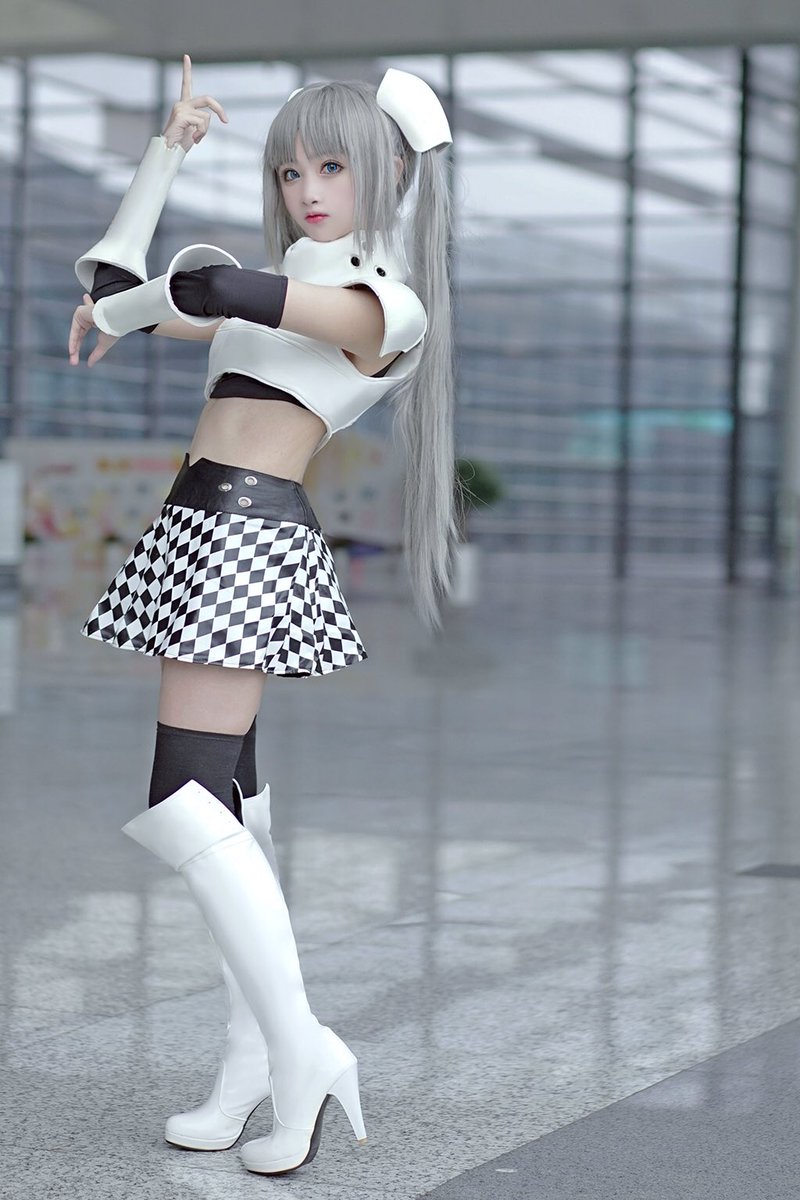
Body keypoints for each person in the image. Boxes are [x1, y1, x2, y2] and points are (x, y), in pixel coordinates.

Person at [66, 54, 455, 1177]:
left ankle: (303, 1048)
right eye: (290, 171)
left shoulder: (387, 305)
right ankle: (251, 1061)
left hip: (245, 536)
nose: (308, 190)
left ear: (391, 170)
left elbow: (230, 294)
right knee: (235, 804)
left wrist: (170, 294)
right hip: (199, 529)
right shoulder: (284, 277)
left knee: (183, 801)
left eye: (332, 167)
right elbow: (114, 292)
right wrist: (166, 152)